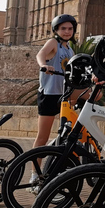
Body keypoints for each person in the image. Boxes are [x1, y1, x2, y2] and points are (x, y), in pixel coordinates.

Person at [30, 14, 82, 190]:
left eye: (70, 29)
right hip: (50, 95)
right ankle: (34, 175)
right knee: (42, 137)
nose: (67, 32)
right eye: (63, 28)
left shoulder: (70, 50)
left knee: (66, 137)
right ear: (56, 30)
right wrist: (43, 65)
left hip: (64, 96)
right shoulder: (54, 43)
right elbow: (40, 54)